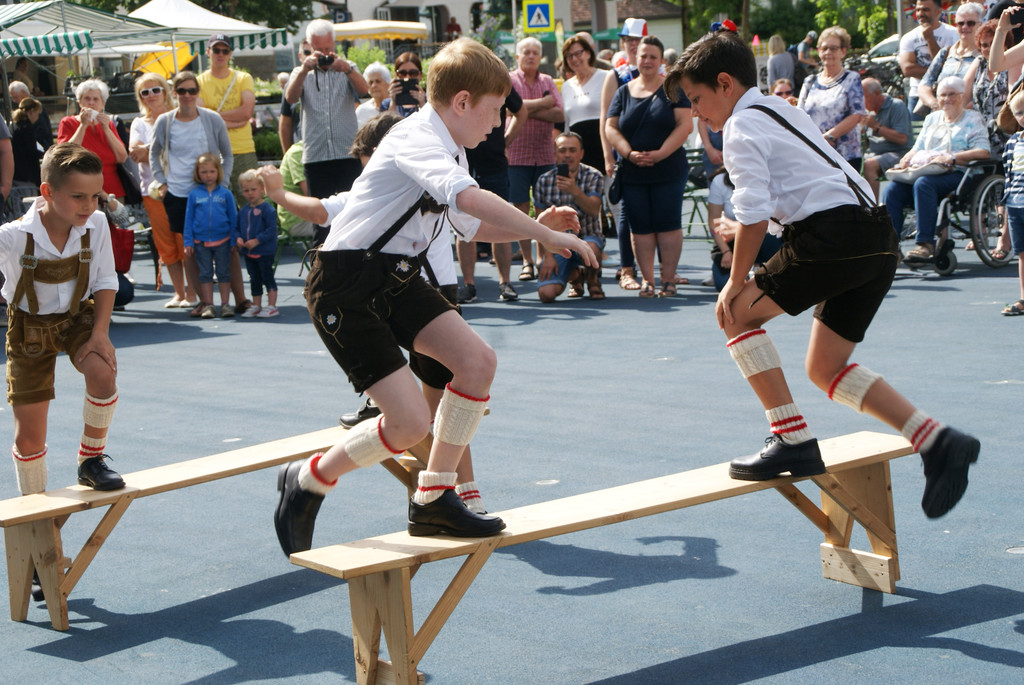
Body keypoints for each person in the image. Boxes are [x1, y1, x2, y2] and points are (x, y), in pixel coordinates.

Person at [269, 38, 596, 554]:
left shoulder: (452, 147)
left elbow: (470, 226)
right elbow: (469, 199)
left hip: (396, 277)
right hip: (345, 284)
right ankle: (309, 477)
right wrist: (541, 232)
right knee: (408, 423)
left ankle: (434, 496)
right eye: (495, 110)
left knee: (477, 363)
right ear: (462, 102)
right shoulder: (415, 136)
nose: (498, 124)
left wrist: (538, 224)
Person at [667, 29, 979, 520]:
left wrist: (734, 279)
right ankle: (937, 440)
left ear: (725, 84)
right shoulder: (780, 108)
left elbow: (753, 211)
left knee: (734, 314)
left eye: (697, 99)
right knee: (825, 368)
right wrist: (761, 228)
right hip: (877, 236)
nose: (696, 113)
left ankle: (791, 439)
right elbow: (801, 183)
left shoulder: (740, 127)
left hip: (833, 236)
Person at [1, 143, 123, 495]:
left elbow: (105, 280)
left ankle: (91, 461)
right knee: (28, 438)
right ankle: (35, 506)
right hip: (28, 328)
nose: (89, 206)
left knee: (103, 372)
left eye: (95, 196)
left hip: (77, 317)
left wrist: (100, 333)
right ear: (47, 192)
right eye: (78, 197)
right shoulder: (13, 236)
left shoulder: (96, 224)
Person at [605, 35, 693, 298]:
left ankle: (668, 280)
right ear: (636, 58)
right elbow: (610, 127)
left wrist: (660, 154)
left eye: (653, 57)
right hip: (633, 172)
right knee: (640, 226)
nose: (647, 61)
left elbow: (685, 125)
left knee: (668, 224)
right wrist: (628, 153)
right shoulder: (623, 92)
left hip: (669, 170)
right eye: (643, 56)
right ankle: (647, 280)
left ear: (661, 61)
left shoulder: (673, 89)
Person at [150, 71, 234, 319]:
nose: (187, 95)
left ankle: (236, 299)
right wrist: (161, 182)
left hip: (210, 192)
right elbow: (154, 152)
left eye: (192, 90)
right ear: (174, 93)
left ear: (198, 92)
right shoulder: (165, 121)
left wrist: (222, 184)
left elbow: (227, 154)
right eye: (182, 91)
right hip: (178, 193)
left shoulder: (212, 118)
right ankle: (202, 301)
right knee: (189, 250)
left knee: (227, 246)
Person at [883, 75, 991, 261]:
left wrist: (952, 157)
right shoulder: (932, 118)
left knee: (924, 184)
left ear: (962, 96)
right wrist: (907, 158)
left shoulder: (973, 119)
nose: (946, 99)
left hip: (960, 172)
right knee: (893, 189)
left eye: (952, 94)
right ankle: (891, 247)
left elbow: (983, 152)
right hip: (927, 170)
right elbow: (918, 147)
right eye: (942, 95)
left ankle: (925, 244)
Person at [284, 18, 369, 246]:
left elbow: (364, 90)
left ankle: (354, 263)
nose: (324, 54)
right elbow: (290, 98)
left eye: (328, 48)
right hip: (316, 156)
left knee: (353, 215)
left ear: (334, 44)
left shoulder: (347, 67)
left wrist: (347, 69)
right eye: (319, 49)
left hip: (347, 154)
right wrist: (305, 69)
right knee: (320, 223)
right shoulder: (301, 72)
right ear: (309, 46)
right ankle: (322, 265)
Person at [129, 73, 196, 309]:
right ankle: (179, 293)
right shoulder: (139, 123)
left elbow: (186, 148)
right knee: (165, 244)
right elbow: (135, 153)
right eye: (145, 92)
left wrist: (150, 149)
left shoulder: (179, 116)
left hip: (182, 189)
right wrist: (162, 148)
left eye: (155, 90)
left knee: (185, 241)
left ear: (165, 91)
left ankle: (193, 294)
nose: (151, 95)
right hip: (153, 192)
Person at [458, 89, 526, 304]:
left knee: (501, 220)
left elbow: (521, 111)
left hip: (494, 163)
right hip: (462, 162)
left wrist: (506, 141)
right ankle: (468, 285)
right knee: (462, 224)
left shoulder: (500, 82)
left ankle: (505, 282)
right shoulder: (458, 79)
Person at [507, 36, 564, 281]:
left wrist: (523, 111)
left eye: (535, 52)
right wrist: (542, 104)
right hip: (516, 156)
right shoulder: (509, 80)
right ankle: (527, 261)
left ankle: (543, 257)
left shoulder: (548, 80)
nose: (531, 56)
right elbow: (507, 109)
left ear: (540, 57)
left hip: (544, 155)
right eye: (526, 52)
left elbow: (559, 113)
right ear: (517, 56)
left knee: (545, 210)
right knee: (519, 211)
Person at [601, 18, 649, 291]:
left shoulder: (661, 72)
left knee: (655, 215)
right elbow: (605, 119)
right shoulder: (616, 75)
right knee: (625, 214)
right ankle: (627, 269)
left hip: (656, 156)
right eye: (628, 40)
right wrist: (609, 156)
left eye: (637, 40)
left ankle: (660, 271)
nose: (632, 45)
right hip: (624, 156)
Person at [534, 132, 605, 301]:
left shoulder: (593, 175)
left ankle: (592, 279)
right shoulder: (544, 180)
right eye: (562, 150)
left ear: (581, 153)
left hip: (587, 237)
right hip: (558, 242)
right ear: (554, 154)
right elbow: (539, 225)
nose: (567, 155)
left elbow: (594, 210)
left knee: (591, 247)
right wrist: (546, 257)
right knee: (546, 294)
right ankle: (576, 276)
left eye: (572, 150)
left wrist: (574, 190)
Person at [798, 26, 866, 169]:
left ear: (843, 52)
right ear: (819, 51)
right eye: (824, 48)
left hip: (844, 156)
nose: (828, 52)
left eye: (833, 48)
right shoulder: (810, 82)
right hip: (814, 156)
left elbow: (857, 114)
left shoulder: (852, 79)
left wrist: (829, 137)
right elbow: (799, 115)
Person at [706, 168, 782, 292]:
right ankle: (745, 273)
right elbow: (714, 222)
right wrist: (726, 251)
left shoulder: (772, 177)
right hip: (732, 242)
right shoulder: (719, 181)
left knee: (775, 285)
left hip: (767, 237)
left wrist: (735, 229)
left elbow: (777, 221)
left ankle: (763, 269)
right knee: (722, 285)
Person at [183, 153, 237, 319]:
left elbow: (233, 218)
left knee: (224, 273)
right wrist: (188, 241)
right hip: (201, 241)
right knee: (205, 274)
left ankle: (225, 304)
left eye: (212, 171)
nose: (208, 175)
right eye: (204, 172)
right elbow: (189, 219)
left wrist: (234, 239)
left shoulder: (226, 194)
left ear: (218, 172)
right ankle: (208, 304)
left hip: (223, 240)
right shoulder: (194, 195)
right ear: (198, 173)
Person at [56, 79, 129, 200]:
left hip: (112, 190)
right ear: (79, 102)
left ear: (103, 104)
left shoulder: (109, 124)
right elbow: (65, 154)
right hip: (81, 190)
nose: (91, 103)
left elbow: (122, 157)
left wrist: (106, 129)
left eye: (96, 99)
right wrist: (83, 125)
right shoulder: (68, 122)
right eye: (87, 98)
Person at [917, 3, 983, 115]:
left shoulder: (983, 56)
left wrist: (960, 110)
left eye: (970, 23)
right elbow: (924, 85)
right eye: (960, 23)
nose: (965, 27)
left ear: (980, 25)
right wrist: (935, 105)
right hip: (940, 117)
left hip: (969, 118)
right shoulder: (945, 53)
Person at [900, 0, 959, 120]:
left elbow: (953, 66)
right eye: (918, 10)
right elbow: (907, 69)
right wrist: (937, 73)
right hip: (917, 96)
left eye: (926, 9)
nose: (920, 13)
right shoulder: (908, 37)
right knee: (917, 131)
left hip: (947, 96)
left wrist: (930, 38)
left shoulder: (953, 34)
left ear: (938, 12)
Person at [560, 35, 610, 173]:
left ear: (588, 53)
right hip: (578, 153)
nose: (574, 59)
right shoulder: (566, 86)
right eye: (569, 56)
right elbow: (566, 123)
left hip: (603, 148)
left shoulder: (606, 77)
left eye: (578, 53)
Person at [860, 77, 913, 200]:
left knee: (868, 165)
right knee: (850, 163)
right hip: (873, 154)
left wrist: (876, 126)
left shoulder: (896, 106)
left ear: (877, 93)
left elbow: (902, 139)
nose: (862, 102)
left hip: (898, 154)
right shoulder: (869, 111)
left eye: (865, 97)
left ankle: (873, 207)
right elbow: (866, 143)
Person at [965, 18, 1012, 155]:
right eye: (984, 45)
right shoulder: (979, 63)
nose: (989, 48)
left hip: (1006, 132)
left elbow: (1013, 97)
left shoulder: (1011, 62)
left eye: (993, 43)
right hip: (980, 134)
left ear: (1005, 44)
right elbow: (962, 96)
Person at [235, 170, 278, 318]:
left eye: (253, 189)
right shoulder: (243, 211)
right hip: (249, 253)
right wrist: (238, 238)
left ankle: (272, 305)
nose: (250, 193)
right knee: (254, 279)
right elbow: (237, 228)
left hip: (264, 252)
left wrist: (257, 240)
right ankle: (256, 305)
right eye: (246, 190)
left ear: (262, 189)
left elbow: (271, 230)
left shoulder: (268, 209)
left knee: (267, 277)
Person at [999, 89, 1024, 315]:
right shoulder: (1013, 142)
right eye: (1019, 113)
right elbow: (1008, 175)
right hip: (1015, 204)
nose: (1023, 116)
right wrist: (1005, 202)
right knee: (1022, 253)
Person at [277, 139, 315, 239]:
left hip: (311, 215)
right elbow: (310, 193)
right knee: (343, 225)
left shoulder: (315, 151)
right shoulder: (297, 152)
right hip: (298, 220)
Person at [279, 40, 311, 152]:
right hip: (300, 149)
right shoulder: (291, 84)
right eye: (307, 52)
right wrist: (287, 154)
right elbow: (285, 123)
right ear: (300, 56)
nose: (312, 56)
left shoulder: (336, 78)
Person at [9, 81, 53, 152]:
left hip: (41, 148)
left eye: (15, 97)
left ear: (23, 92)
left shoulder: (35, 107)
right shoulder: (21, 109)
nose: (14, 100)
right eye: (13, 98)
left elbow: (43, 131)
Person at [10, 98, 45, 187]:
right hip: (26, 174)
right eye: (37, 114)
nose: (37, 117)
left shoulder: (14, 125)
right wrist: (45, 155)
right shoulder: (26, 128)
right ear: (32, 111)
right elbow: (31, 151)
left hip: (15, 173)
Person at [384, 52, 427, 117]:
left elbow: (431, 122)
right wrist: (393, 102)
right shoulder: (386, 104)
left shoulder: (430, 103)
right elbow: (388, 123)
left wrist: (422, 104)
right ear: (396, 75)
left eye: (413, 73)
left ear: (420, 75)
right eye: (402, 73)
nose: (407, 77)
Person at [355, 62, 392, 127]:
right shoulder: (362, 111)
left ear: (388, 83)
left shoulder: (398, 107)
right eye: (370, 82)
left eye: (378, 81)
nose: (374, 85)